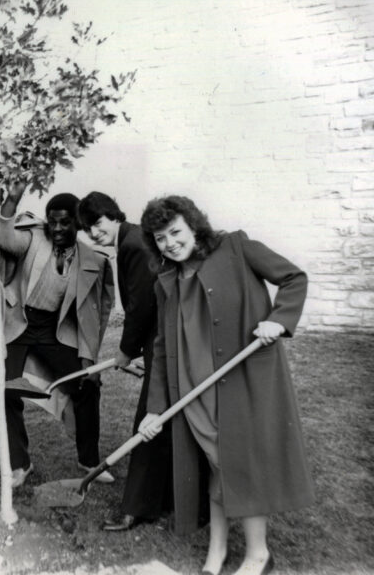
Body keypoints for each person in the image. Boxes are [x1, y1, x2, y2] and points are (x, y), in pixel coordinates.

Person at [137, 196, 314, 575]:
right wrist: (155, 407)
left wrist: (279, 320)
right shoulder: (166, 280)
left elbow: (293, 277)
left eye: (175, 232)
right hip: (194, 389)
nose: (170, 243)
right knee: (218, 465)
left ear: (193, 226)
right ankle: (217, 552)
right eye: (160, 238)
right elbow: (163, 345)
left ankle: (257, 554)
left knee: (236, 465)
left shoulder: (236, 247)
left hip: (239, 381)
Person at [0, 180, 114, 488]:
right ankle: (19, 464)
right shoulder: (33, 239)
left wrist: (89, 356)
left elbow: (99, 312)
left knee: (89, 385)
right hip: (21, 326)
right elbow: (3, 236)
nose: (58, 228)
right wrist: (12, 199)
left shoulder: (94, 260)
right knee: (6, 389)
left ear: (78, 223)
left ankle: (89, 460)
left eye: (66, 222)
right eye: (53, 221)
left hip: (57, 332)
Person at [78, 192, 173, 532]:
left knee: (147, 424)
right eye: (88, 229)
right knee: (166, 422)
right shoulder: (131, 238)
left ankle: (135, 508)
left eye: (98, 223)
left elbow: (143, 306)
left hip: (164, 344)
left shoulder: (133, 244)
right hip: (160, 342)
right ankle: (166, 502)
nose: (94, 233)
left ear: (113, 215)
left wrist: (126, 351)